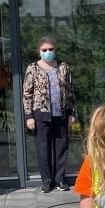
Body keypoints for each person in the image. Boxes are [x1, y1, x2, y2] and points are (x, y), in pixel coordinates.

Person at [22, 36, 76, 192]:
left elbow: (70, 91)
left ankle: (59, 179)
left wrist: (72, 113)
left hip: (61, 114)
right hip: (41, 115)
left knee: (61, 147)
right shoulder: (33, 68)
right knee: (43, 149)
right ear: (39, 51)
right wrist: (29, 116)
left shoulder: (63, 67)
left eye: (50, 49)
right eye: (44, 50)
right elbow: (27, 94)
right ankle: (46, 180)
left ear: (55, 49)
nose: (48, 52)